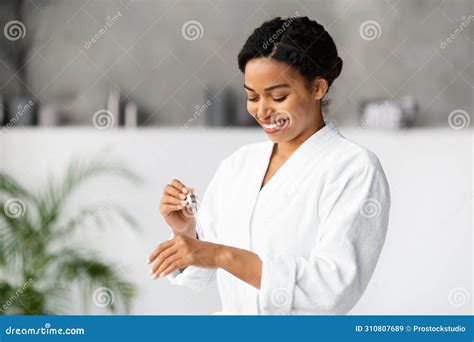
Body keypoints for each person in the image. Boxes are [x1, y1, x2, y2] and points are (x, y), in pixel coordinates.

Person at [146, 16, 391, 315]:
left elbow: (332, 290)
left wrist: (222, 255)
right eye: (252, 96)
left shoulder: (353, 169)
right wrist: (187, 232)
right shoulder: (239, 165)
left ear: (317, 88)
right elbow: (201, 275)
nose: (261, 110)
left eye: (278, 96)